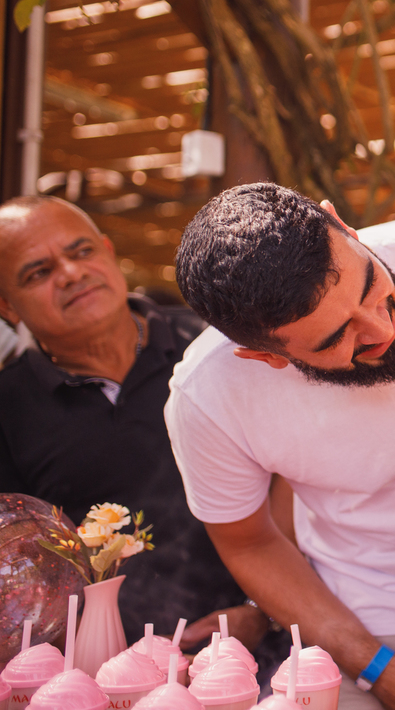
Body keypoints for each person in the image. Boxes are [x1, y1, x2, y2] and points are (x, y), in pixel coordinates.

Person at [165, 183, 395, 710]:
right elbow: (250, 543)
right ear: (264, 357)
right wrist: (374, 665)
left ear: (342, 225)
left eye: (370, 284)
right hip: (363, 630)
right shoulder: (207, 396)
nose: (381, 327)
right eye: (336, 336)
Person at [0, 195, 272, 655]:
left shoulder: (218, 347)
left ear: (108, 252)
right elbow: (18, 568)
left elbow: (292, 483)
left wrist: (261, 610)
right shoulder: (8, 409)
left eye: (82, 251)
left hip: (266, 651)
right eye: (39, 273)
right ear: (7, 307)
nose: (71, 273)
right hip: (99, 672)